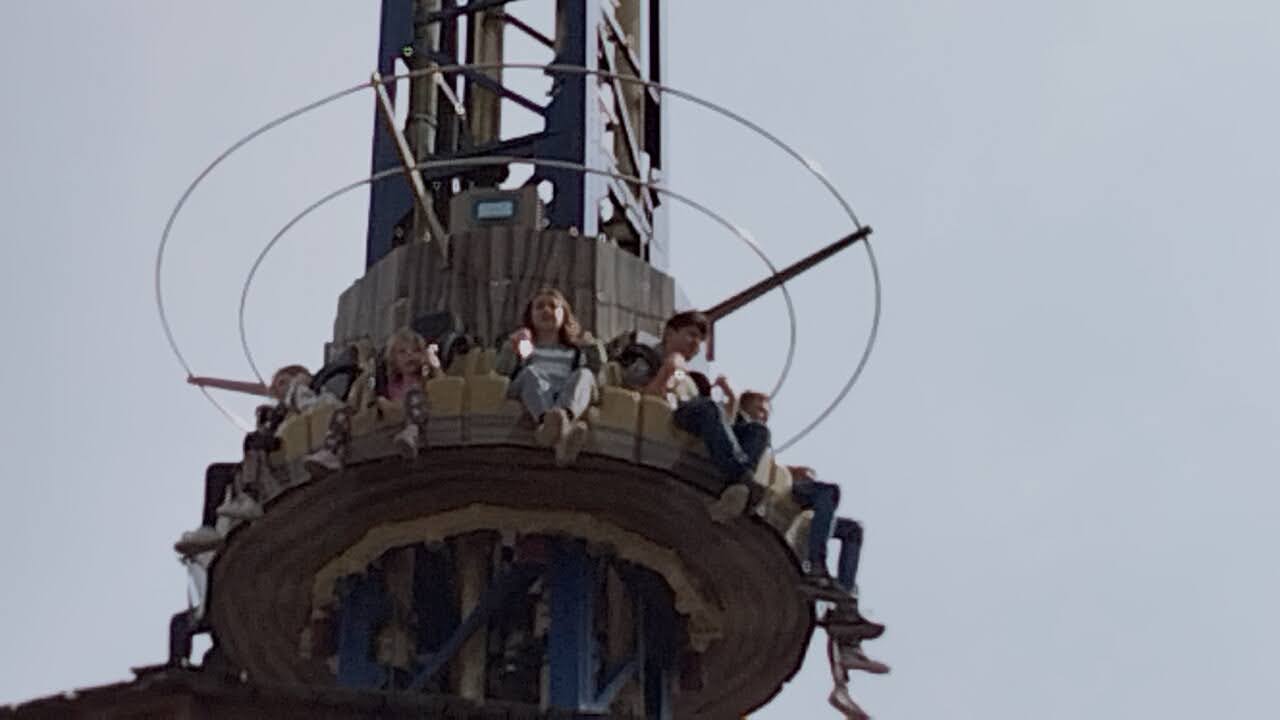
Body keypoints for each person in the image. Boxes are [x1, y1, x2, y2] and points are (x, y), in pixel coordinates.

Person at [305, 328, 442, 475]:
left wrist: (432, 363)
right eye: (402, 352)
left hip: (416, 414)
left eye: (416, 351)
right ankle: (331, 451)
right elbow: (362, 395)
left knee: (414, 392)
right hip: (389, 415)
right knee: (343, 412)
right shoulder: (389, 383)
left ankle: (412, 431)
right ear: (393, 359)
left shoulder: (424, 378)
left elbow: (442, 385)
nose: (410, 355)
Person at [498, 288, 599, 466]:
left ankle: (560, 429)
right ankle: (548, 423)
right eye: (539, 307)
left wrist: (592, 346)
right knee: (531, 372)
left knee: (584, 374)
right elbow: (502, 371)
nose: (546, 310)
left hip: (563, 394)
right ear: (531, 315)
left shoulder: (575, 350)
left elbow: (597, 374)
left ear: (564, 314)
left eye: (552, 306)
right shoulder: (526, 346)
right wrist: (512, 344)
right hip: (535, 391)